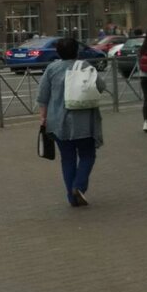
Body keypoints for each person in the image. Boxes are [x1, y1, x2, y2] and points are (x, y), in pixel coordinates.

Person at [36, 37, 105, 207]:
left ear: (58, 52)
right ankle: (79, 186)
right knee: (88, 155)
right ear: (77, 51)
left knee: (67, 159)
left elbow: (42, 97)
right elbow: (101, 86)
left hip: (58, 123)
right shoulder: (86, 66)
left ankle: (72, 197)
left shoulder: (52, 69)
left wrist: (43, 119)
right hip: (84, 123)